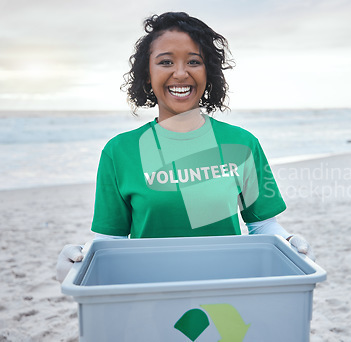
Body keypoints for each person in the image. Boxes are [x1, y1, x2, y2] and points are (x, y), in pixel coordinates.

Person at [56, 12, 314, 282]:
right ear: (147, 75)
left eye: (194, 61)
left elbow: (261, 225)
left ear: (208, 73)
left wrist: (289, 241)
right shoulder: (119, 151)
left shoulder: (242, 143)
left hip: (228, 290)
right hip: (147, 293)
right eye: (166, 62)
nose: (180, 73)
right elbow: (111, 241)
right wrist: (79, 261)